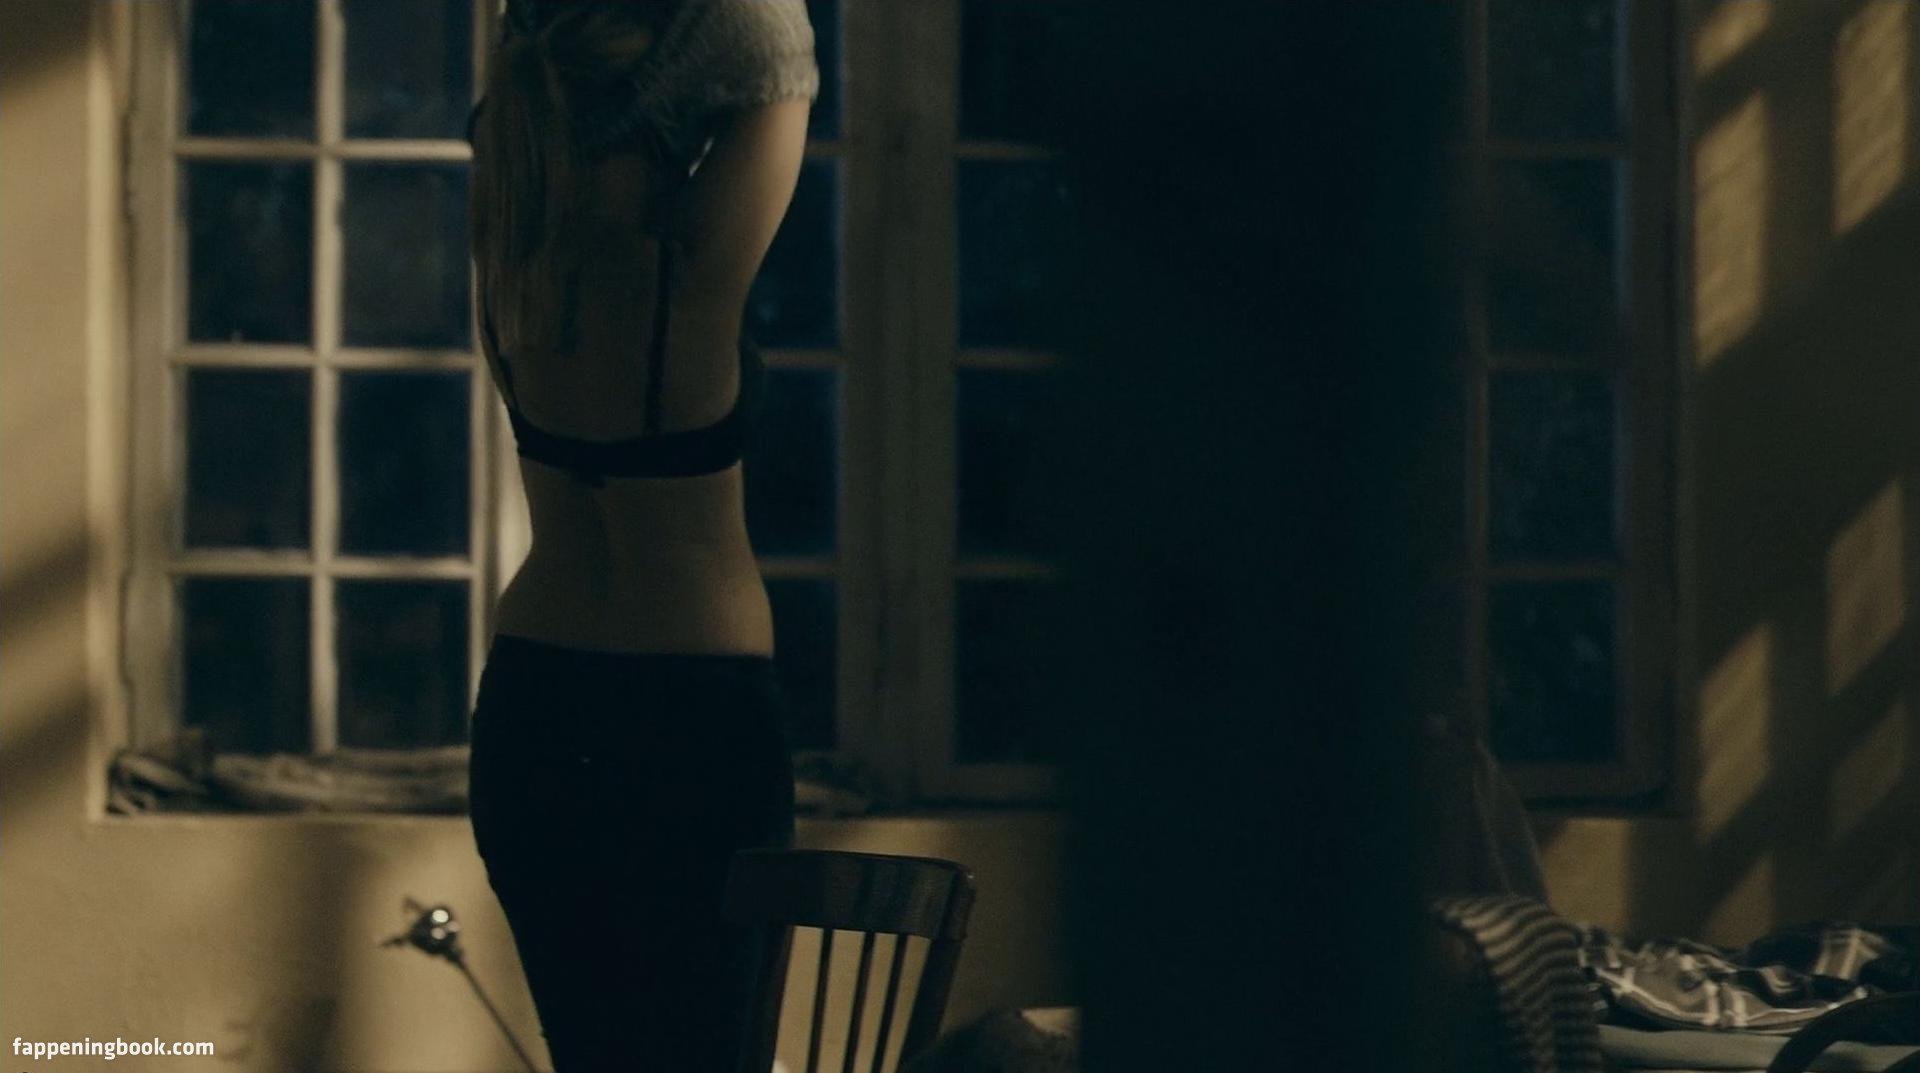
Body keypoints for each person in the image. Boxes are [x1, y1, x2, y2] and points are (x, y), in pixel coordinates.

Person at [462, 0, 817, 1068]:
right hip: (690, 711)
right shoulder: (689, 277)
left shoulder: (511, 262)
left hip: (534, 706)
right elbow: (779, 58)